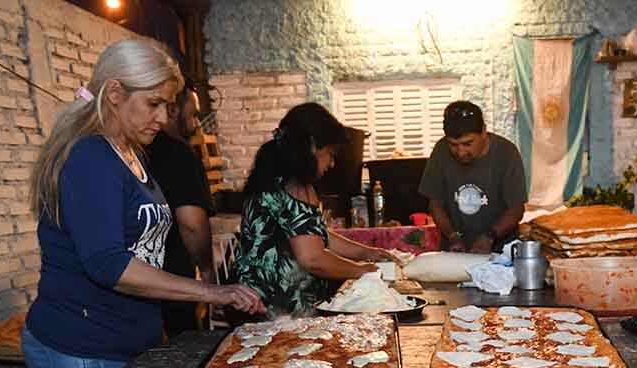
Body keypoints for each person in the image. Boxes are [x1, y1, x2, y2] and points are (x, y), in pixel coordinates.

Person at [23, 39, 264, 368]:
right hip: (84, 349)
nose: (163, 117)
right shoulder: (91, 157)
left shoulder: (130, 152)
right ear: (115, 94)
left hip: (125, 342)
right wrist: (209, 289)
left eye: (168, 106)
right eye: (153, 104)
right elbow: (108, 265)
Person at [233, 102, 399, 316]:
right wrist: (361, 270)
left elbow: (315, 235)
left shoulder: (272, 176)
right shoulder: (297, 185)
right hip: (277, 309)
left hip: (252, 300)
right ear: (312, 145)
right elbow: (312, 258)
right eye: (330, 154)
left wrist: (365, 252)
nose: (331, 164)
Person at [146, 78, 216, 337]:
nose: (197, 123)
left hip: (137, 293)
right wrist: (207, 272)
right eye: (194, 115)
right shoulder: (179, 153)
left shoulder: (129, 152)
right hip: (173, 285)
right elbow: (192, 224)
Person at [418, 101, 527, 254]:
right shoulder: (441, 151)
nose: (460, 152)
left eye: (467, 143)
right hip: (455, 251)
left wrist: (489, 236)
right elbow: (436, 205)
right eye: (453, 145)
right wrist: (452, 236)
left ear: (483, 131)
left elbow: (516, 209)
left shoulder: (506, 153)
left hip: (499, 252)